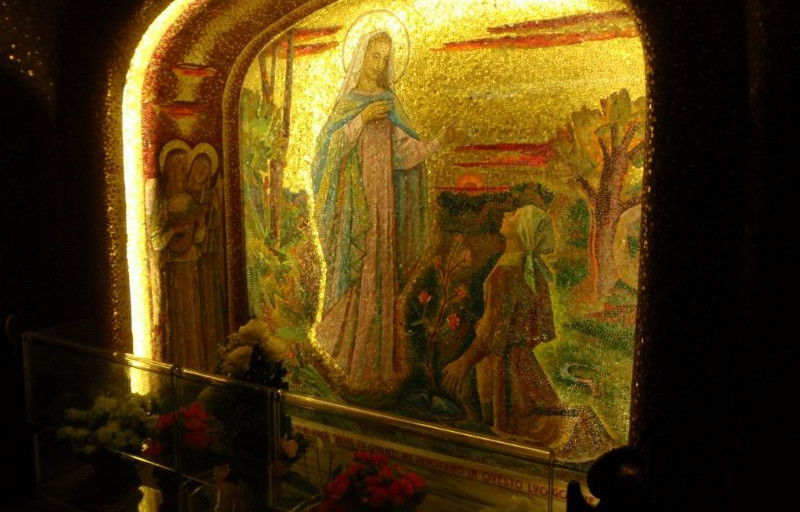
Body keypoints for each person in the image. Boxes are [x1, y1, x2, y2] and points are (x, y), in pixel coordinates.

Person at [311, 30, 449, 394]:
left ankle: (377, 366)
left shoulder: (389, 101)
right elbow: (326, 153)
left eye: (385, 58)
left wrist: (435, 144)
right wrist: (360, 120)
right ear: (361, 56)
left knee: (381, 274)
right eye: (375, 56)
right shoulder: (348, 103)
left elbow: (403, 153)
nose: (380, 64)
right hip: (355, 207)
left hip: (384, 205)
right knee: (360, 271)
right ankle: (345, 357)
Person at [441, 204, 566, 448]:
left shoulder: (505, 273)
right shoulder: (531, 271)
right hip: (522, 362)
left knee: (506, 425)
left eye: (514, 215)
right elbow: (538, 330)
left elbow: (492, 329)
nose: (507, 214)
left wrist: (463, 362)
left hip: (500, 366)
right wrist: (518, 346)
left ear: (522, 231)